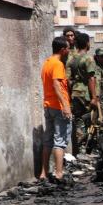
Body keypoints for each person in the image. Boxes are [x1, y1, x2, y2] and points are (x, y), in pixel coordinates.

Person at [39, 37, 72, 183]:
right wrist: (65, 106)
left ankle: (44, 173)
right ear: (62, 49)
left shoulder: (47, 63)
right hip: (58, 107)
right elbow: (57, 85)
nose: (69, 50)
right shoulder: (58, 64)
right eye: (68, 48)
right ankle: (59, 173)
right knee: (60, 141)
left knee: (48, 140)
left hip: (48, 105)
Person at [66, 31, 99, 154]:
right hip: (85, 93)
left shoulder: (71, 58)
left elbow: (68, 79)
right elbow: (91, 78)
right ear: (86, 43)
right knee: (88, 121)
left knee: (78, 121)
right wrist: (94, 97)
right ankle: (84, 150)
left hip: (75, 92)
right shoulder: (88, 58)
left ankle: (77, 150)